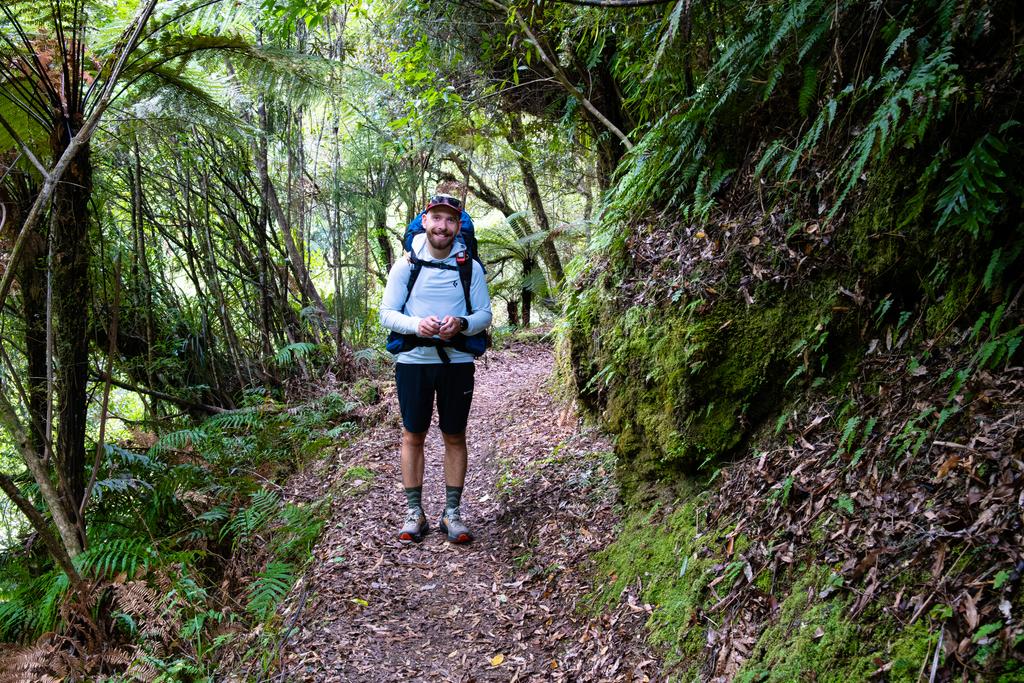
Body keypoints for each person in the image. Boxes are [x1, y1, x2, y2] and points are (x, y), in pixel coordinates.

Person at [379, 191, 493, 545]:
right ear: (424, 221)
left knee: (454, 435)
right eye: (437, 218)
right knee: (413, 435)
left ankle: (452, 513)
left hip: (457, 363)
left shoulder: (469, 267)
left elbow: (485, 316)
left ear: (458, 227)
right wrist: (417, 326)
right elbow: (386, 314)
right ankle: (415, 512)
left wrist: (460, 323)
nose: (442, 226)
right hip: (413, 362)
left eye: (450, 220)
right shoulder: (405, 266)